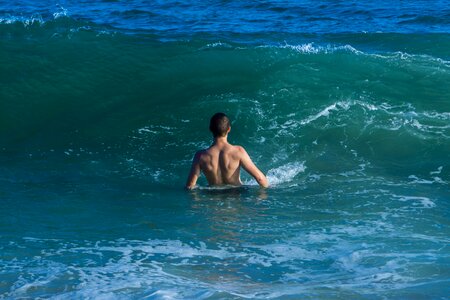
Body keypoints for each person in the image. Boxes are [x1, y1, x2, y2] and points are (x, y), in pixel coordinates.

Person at [185, 112, 269, 189]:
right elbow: (260, 179)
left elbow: (190, 185)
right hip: (236, 196)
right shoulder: (238, 151)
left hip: (214, 199)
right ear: (229, 129)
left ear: (210, 129)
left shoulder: (201, 155)